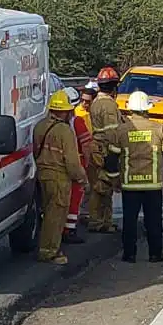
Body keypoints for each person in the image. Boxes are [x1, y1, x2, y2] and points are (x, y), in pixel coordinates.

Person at [104, 91, 163, 263]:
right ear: (147, 109)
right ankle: (155, 254)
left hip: (130, 185)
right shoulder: (159, 129)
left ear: (130, 110)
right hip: (153, 185)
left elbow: (111, 159)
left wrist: (115, 180)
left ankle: (129, 254)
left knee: (129, 221)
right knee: (154, 221)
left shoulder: (120, 132)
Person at [34, 90, 89, 265]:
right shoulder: (65, 131)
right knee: (56, 215)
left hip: (42, 174)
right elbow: (72, 162)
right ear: (65, 111)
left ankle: (46, 247)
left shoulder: (40, 126)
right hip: (59, 177)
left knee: (46, 212)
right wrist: (82, 179)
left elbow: (35, 151)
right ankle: (49, 251)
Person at [87, 67, 122, 233]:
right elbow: (112, 132)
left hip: (97, 147)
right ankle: (99, 221)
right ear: (114, 86)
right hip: (105, 149)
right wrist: (115, 153)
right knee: (103, 186)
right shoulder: (108, 105)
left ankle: (102, 221)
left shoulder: (96, 102)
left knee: (100, 185)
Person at [66, 83, 97, 240]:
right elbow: (86, 145)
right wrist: (88, 162)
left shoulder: (50, 123)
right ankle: (70, 230)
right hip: (76, 163)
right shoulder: (77, 121)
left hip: (57, 165)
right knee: (76, 196)